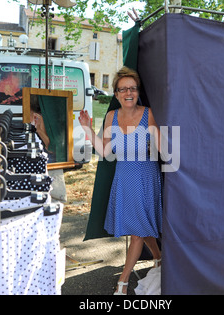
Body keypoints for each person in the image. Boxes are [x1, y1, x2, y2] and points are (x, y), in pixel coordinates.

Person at [78, 66, 163, 295]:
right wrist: (87, 128)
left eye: (132, 88)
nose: (128, 92)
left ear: (137, 92)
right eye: (123, 89)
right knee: (141, 227)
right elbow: (105, 152)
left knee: (136, 232)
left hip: (145, 177)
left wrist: (156, 140)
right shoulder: (111, 117)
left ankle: (122, 283)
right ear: (116, 94)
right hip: (124, 178)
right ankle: (159, 257)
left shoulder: (148, 113)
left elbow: (161, 149)